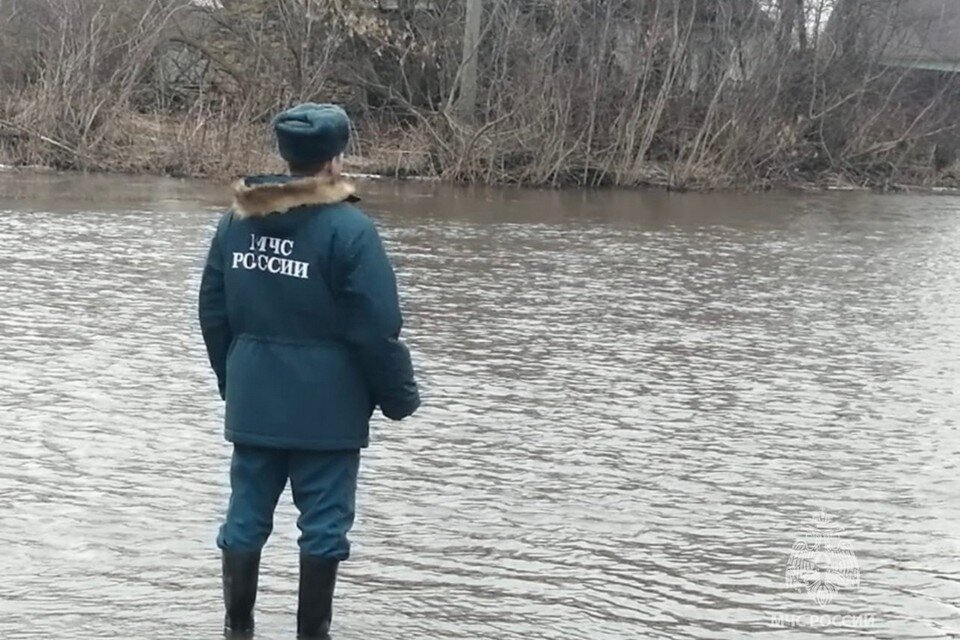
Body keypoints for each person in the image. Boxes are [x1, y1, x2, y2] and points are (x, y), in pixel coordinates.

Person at [198, 103, 420, 639]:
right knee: (323, 529)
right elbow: (376, 328)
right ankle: (312, 634)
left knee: (245, 516)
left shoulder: (237, 221)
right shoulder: (350, 230)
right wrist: (399, 397)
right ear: (335, 160)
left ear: (286, 155)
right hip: (329, 411)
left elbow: (212, 311)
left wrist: (237, 382)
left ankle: (236, 629)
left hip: (255, 401)